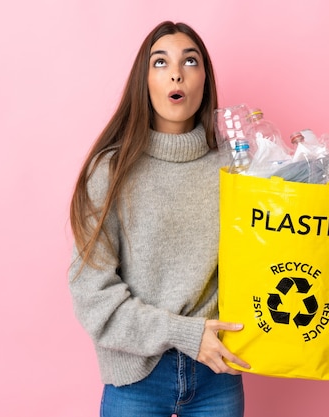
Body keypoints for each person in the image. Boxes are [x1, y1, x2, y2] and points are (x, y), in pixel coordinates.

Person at [68, 21, 250, 417]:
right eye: (160, 62)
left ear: (205, 79)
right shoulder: (110, 171)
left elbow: (276, 250)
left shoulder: (238, 169)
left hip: (216, 372)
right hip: (136, 375)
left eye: (190, 60)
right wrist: (183, 334)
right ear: (144, 81)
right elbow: (91, 294)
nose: (176, 72)